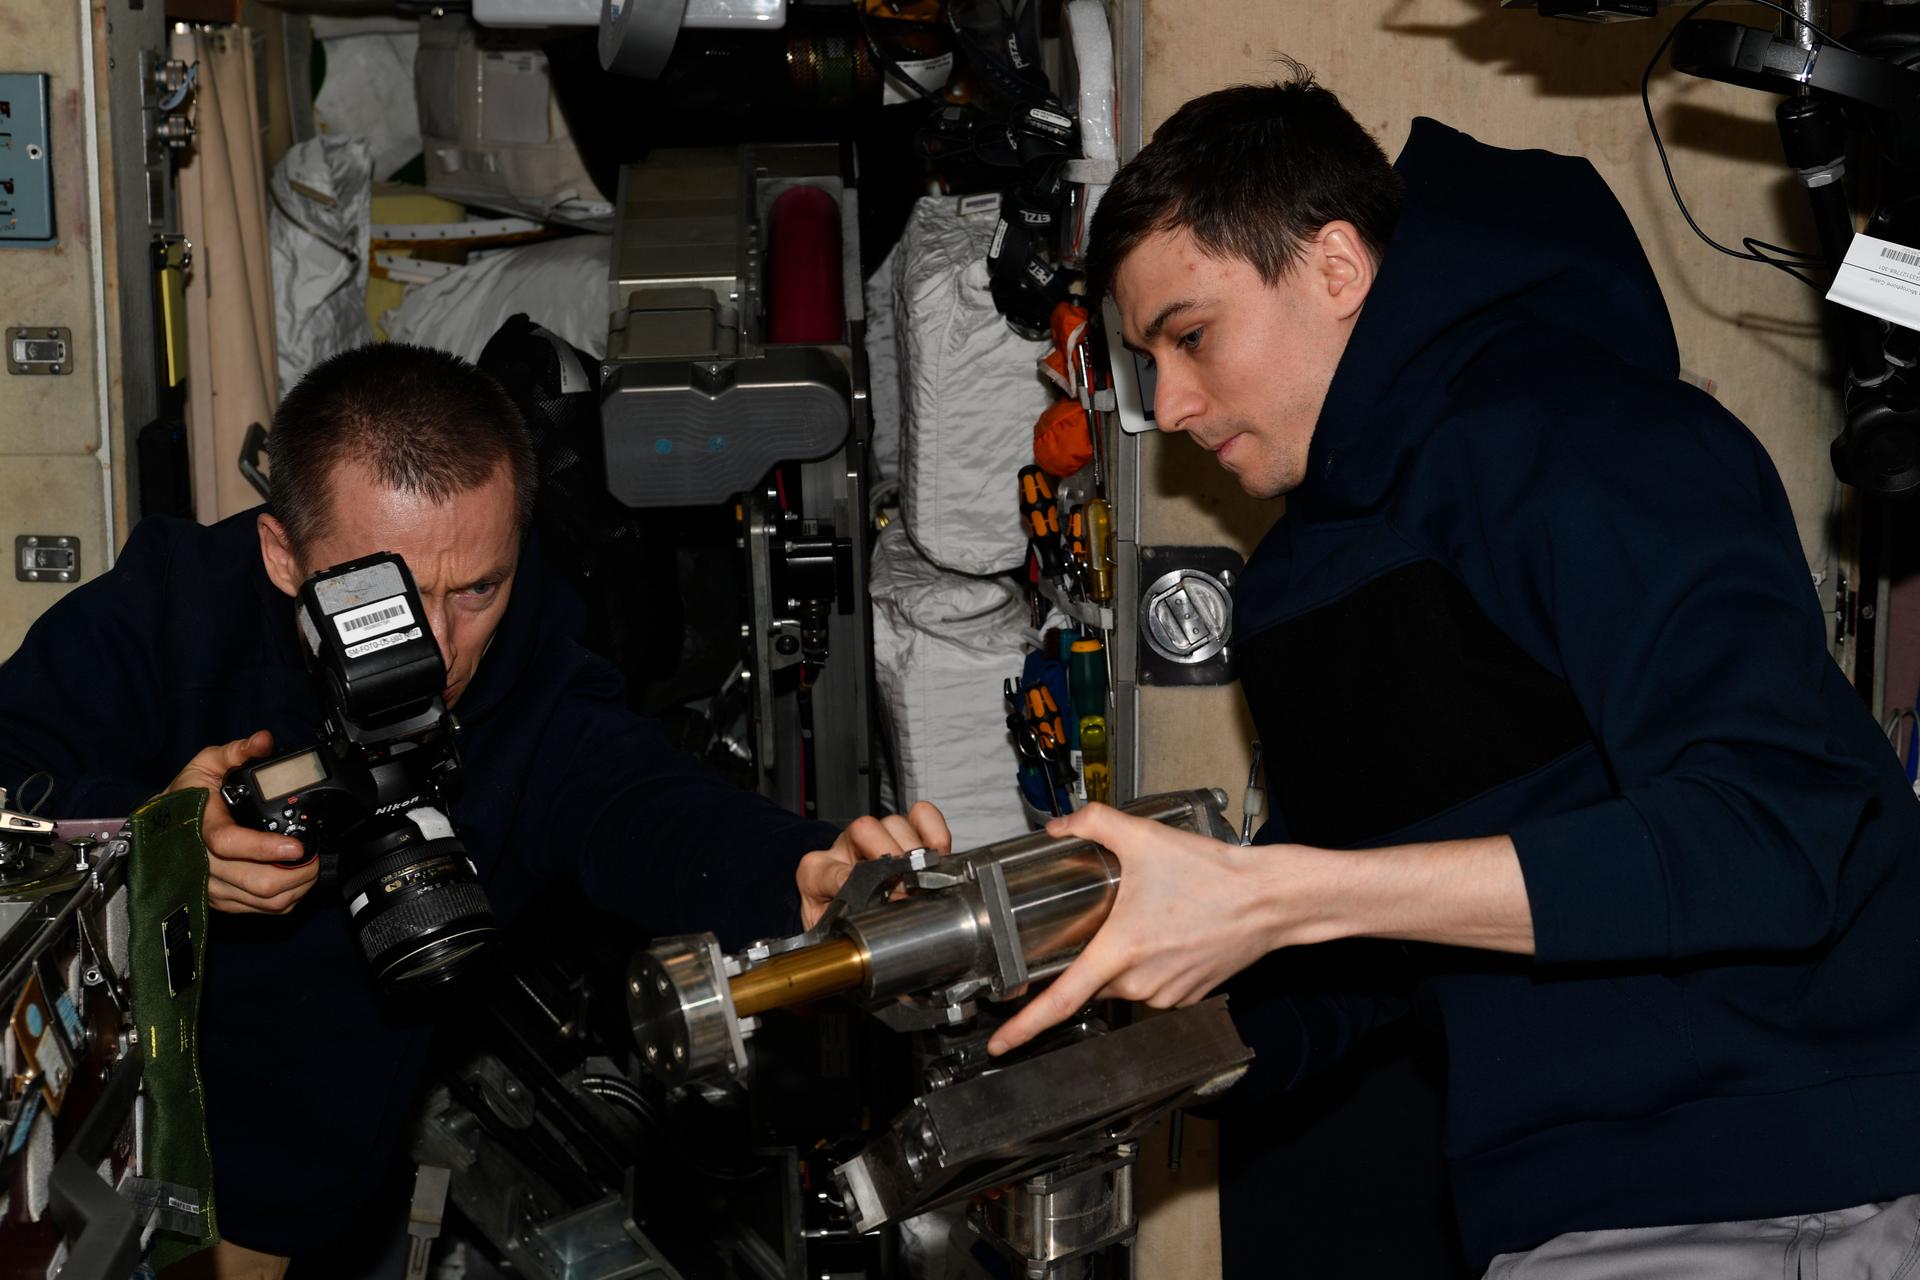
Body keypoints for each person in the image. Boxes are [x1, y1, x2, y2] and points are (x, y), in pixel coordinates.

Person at [987, 71, 1920, 1276]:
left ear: (1334, 266)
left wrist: (1286, 894)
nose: (1163, 405)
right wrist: (1125, 1013)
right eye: (1144, 362)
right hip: (1553, 1201)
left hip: (1784, 1175)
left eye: (1190, 335)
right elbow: (1376, 966)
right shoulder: (1293, 593)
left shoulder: (1584, 437)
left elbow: (1778, 831)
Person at [0, 342, 945, 1279]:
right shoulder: (175, 611)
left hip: (291, 1201)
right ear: (283, 554)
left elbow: (643, 805)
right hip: (89, 1140)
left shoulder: (533, 671)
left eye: (479, 590)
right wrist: (153, 835)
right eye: (389, 596)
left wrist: (801, 872)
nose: (442, 648)